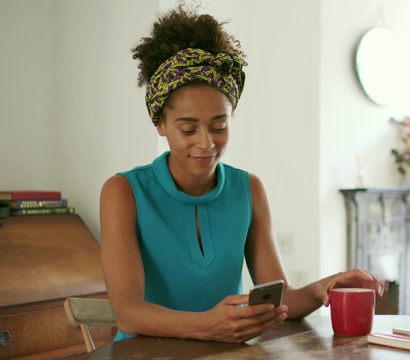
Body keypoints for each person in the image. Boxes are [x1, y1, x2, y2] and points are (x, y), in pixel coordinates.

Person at [99, 2, 387, 343]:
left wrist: (320, 288)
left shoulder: (248, 189)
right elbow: (127, 312)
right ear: (160, 124)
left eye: (218, 126)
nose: (206, 143)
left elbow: (279, 297)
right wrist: (207, 326)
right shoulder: (124, 192)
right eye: (188, 130)